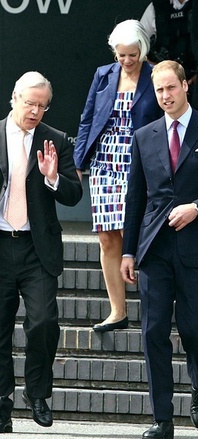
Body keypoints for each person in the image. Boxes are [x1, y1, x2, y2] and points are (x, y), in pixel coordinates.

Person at [120, 60, 198, 439]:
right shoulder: (144, 135)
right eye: (159, 90)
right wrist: (128, 252)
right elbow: (135, 199)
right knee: (153, 331)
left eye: (171, 88)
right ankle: (162, 419)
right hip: (154, 248)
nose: (165, 96)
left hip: (196, 245)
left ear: (186, 86)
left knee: (196, 330)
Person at [0, 71, 83, 433]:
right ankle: (1, 403)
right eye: (29, 103)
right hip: (1, 244)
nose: (34, 111)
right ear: (14, 99)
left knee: (44, 323)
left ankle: (37, 393)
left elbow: (74, 194)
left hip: (37, 249)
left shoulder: (56, 141)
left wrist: (52, 177)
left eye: (41, 106)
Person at [73, 20, 162, 333]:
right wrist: (79, 161)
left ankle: (152, 307)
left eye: (132, 55)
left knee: (133, 232)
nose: (126, 61)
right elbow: (87, 119)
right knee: (107, 237)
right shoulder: (103, 75)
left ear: (143, 50)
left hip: (140, 160)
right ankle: (117, 310)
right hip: (105, 161)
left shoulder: (156, 76)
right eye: (121, 55)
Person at [140, 0, 196, 97]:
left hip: (195, 82)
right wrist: (152, 66)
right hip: (163, 82)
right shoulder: (156, 7)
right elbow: (137, 42)